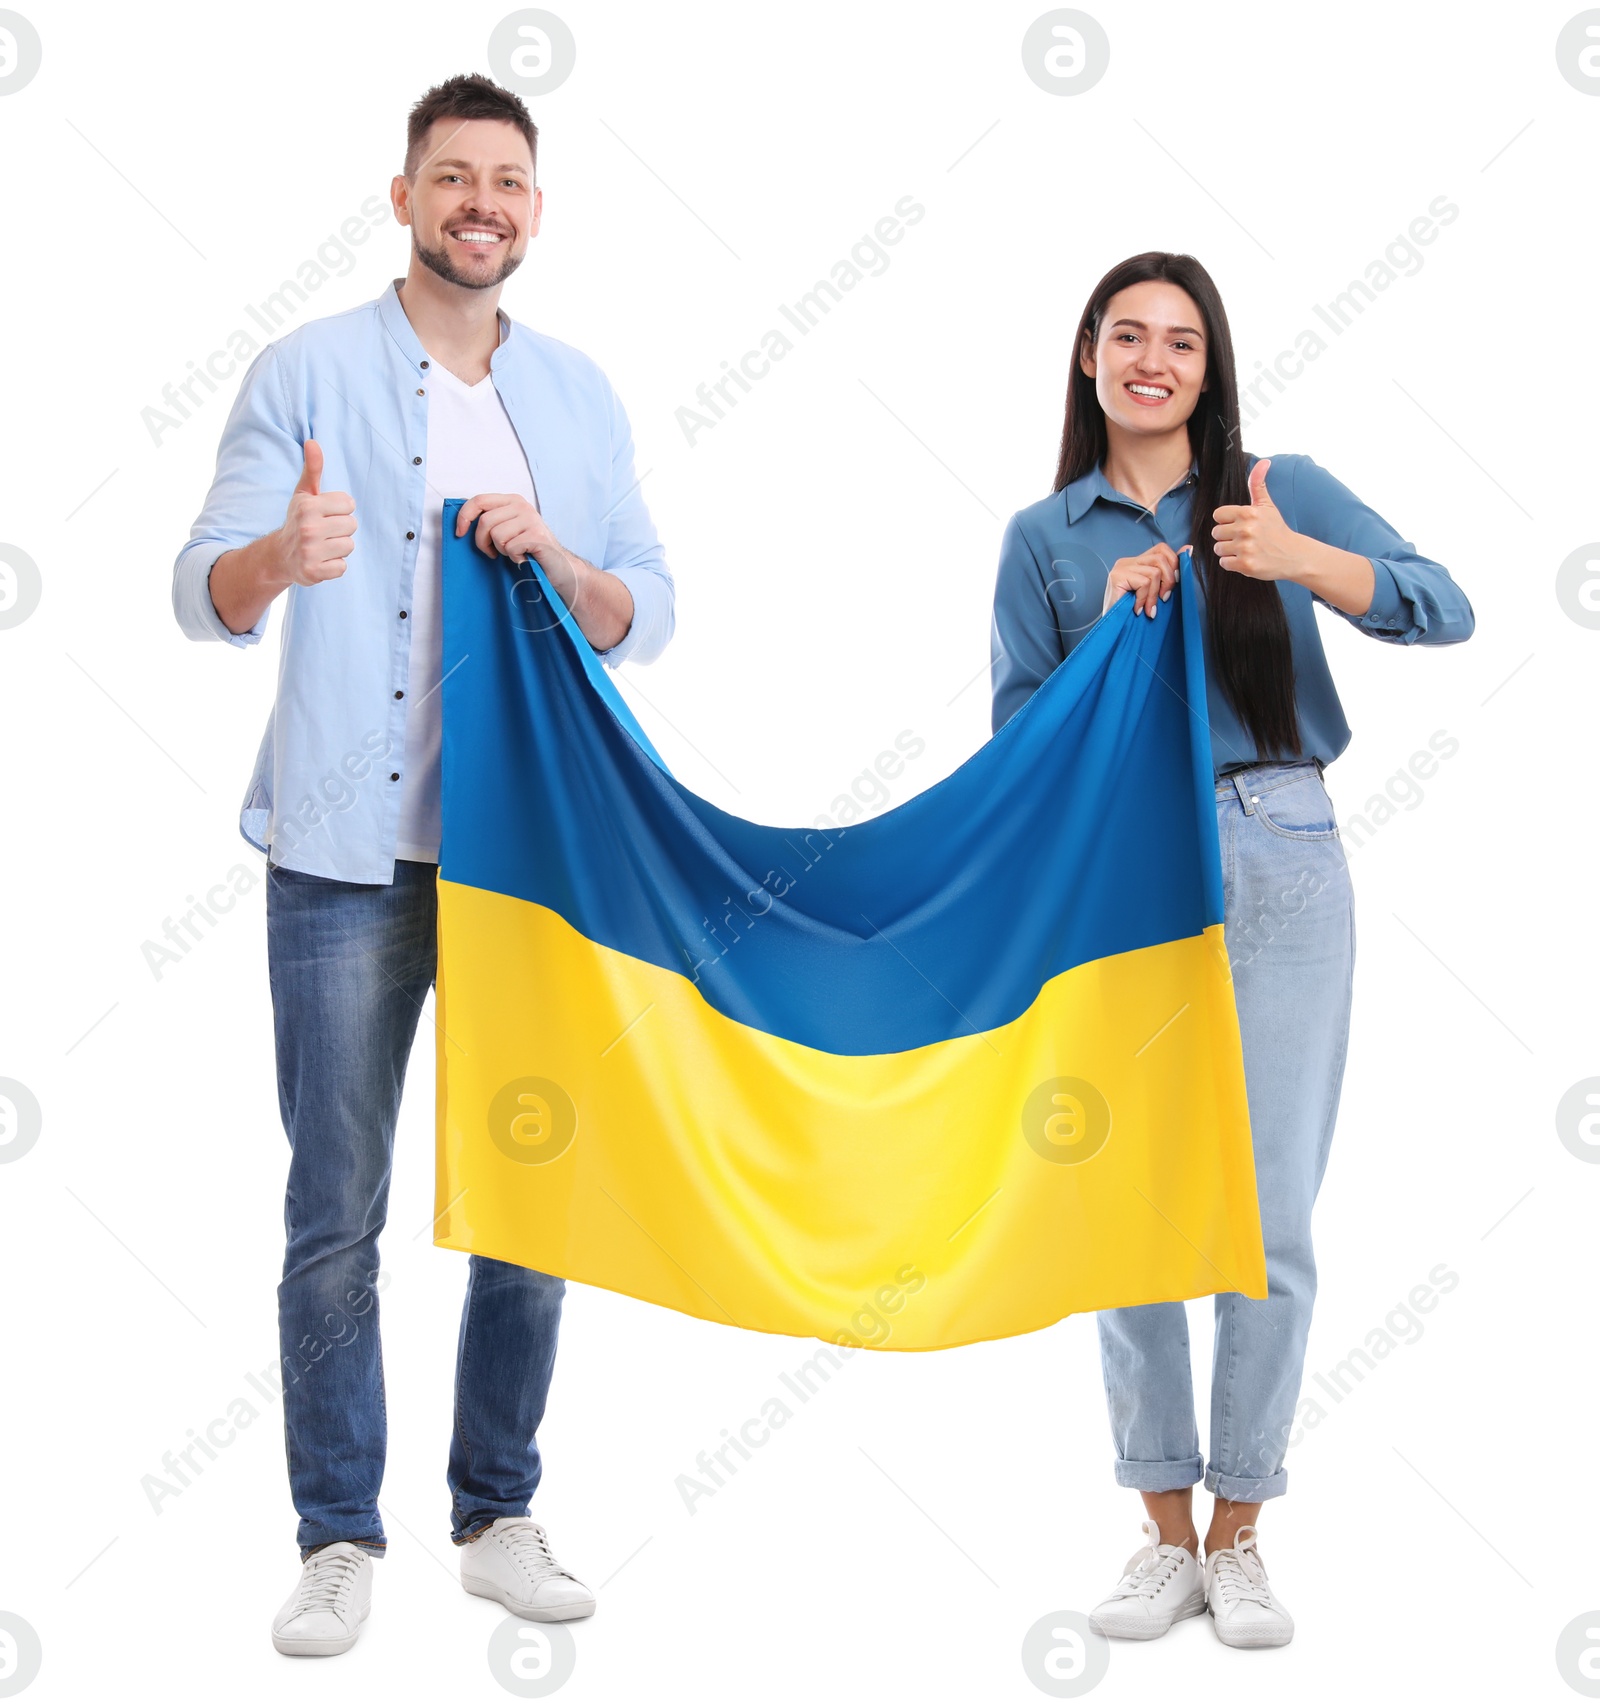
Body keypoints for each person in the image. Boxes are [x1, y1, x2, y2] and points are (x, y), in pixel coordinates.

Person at [171, 73, 675, 1657]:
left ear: (535, 209)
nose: (482, 202)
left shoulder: (582, 397)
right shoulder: (307, 372)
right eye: (452, 176)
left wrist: (565, 559)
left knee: (533, 1193)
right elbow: (201, 591)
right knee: (336, 1205)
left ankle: (496, 1510)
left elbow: (649, 608)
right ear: (402, 198)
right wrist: (280, 558)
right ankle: (336, 1533)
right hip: (341, 863)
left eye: (508, 181)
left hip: (531, 866)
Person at [989, 251, 1473, 1649]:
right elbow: (1017, 746)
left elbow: (1447, 604)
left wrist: (1299, 560)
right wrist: (1107, 642)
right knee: (1133, 1201)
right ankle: (1160, 1533)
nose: (1154, 360)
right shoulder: (1043, 535)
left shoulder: (1275, 487)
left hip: (1278, 845)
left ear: (1211, 367)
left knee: (1265, 1209)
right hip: (1121, 866)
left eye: (1182, 341)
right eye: (1128, 336)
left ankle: (1244, 1529)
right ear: (1088, 357)